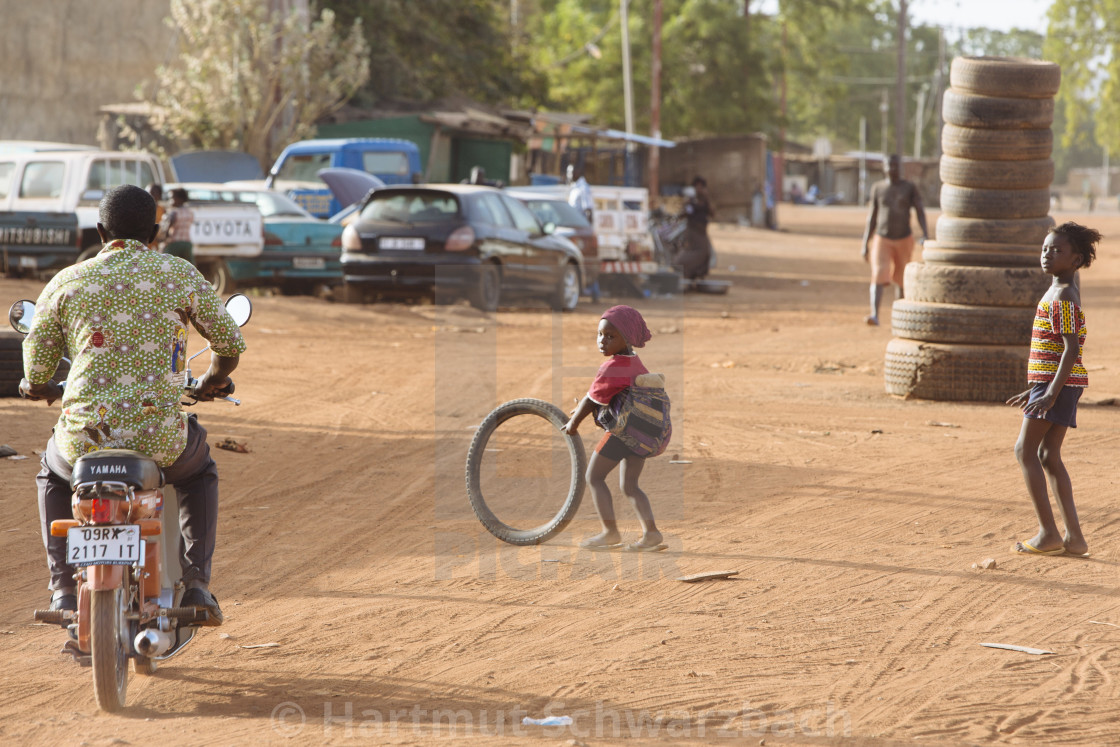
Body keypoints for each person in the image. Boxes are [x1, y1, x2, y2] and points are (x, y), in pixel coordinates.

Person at [20, 184, 246, 624]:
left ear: (100, 230)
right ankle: (197, 584)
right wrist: (214, 379)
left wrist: (41, 386)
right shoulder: (178, 274)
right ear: (156, 231)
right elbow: (229, 340)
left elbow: (37, 366)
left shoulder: (67, 280)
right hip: (158, 439)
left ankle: (63, 590)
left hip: (83, 441)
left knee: (51, 471)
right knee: (200, 470)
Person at [1005, 222, 1098, 558]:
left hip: (1057, 386)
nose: (1047, 254)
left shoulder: (1063, 295)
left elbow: (1071, 349)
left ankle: (1048, 534)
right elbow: (1056, 351)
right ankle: (1074, 539)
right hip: (1053, 384)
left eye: (1057, 250)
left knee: (1024, 451)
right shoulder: (1060, 290)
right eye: (1045, 248)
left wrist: (1049, 392)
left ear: (1076, 260)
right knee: (1047, 455)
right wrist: (1034, 389)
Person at [561, 305, 666, 552]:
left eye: (610, 336)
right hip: (643, 434)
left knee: (594, 477)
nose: (602, 341)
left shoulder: (612, 367)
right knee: (630, 486)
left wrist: (573, 424)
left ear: (627, 338)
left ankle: (610, 533)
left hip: (622, 433)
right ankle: (651, 533)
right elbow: (606, 398)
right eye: (600, 335)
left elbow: (591, 400)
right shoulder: (636, 363)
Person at [860, 154, 929, 326]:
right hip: (882, 238)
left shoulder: (909, 188)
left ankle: (901, 317)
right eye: (889, 165)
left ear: (901, 168)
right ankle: (875, 314)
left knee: (901, 277)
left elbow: (919, 211)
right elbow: (872, 217)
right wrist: (865, 243)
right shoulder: (878, 188)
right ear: (884, 168)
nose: (892, 169)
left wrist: (925, 234)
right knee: (878, 273)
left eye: (895, 166)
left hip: (904, 238)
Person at [677, 176, 714, 280]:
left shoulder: (705, 201)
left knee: (706, 253)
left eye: (701, 187)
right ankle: (680, 266)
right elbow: (683, 214)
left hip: (702, 231)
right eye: (696, 187)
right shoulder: (691, 201)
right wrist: (685, 205)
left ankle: (697, 274)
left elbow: (712, 213)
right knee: (698, 253)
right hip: (693, 230)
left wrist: (707, 198)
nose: (699, 189)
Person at [161, 187, 195, 264]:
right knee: (188, 266)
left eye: (172, 198)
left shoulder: (174, 213)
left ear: (180, 199)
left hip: (174, 243)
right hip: (187, 243)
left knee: (167, 263)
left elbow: (167, 229)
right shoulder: (190, 212)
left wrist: (164, 241)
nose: (170, 201)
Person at [147, 183, 165, 250]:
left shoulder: (162, 210)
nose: (151, 196)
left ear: (159, 196)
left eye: (154, 193)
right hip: (145, 239)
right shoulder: (143, 209)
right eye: (149, 193)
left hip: (157, 240)